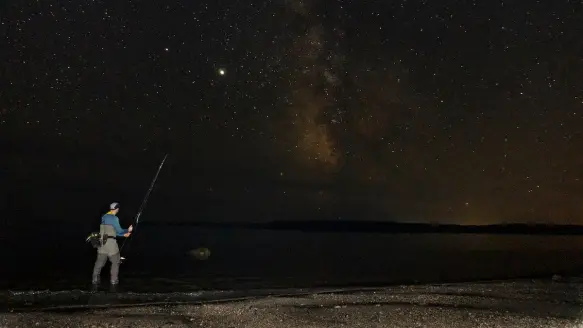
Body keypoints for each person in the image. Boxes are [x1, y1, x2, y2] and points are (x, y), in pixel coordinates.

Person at [91, 202, 133, 289]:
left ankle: (94, 281)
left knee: (99, 263)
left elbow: (112, 232)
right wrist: (127, 230)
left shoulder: (104, 217)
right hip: (111, 244)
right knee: (115, 262)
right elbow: (119, 231)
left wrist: (123, 235)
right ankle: (113, 282)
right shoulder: (114, 218)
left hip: (102, 243)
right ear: (117, 209)